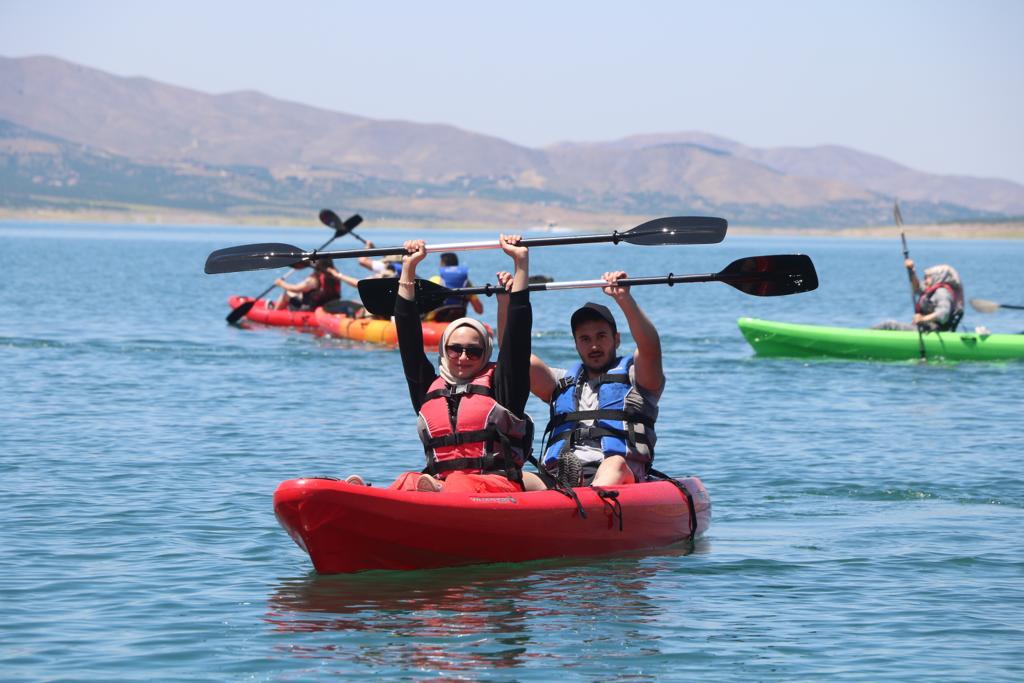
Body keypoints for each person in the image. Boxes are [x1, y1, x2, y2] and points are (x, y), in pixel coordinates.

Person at [346, 235, 545, 494]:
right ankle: (368, 497)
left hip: (495, 488)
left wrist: (521, 263)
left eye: (473, 351)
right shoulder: (428, 388)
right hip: (441, 486)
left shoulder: (504, 388)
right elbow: (408, 336)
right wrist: (409, 268)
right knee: (408, 479)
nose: (463, 357)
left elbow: (517, 336)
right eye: (455, 349)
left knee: (459, 483)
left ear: (485, 354)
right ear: (443, 351)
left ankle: (434, 495)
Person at [497, 271, 663, 488]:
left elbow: (650, 348)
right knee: (507, 477)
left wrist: (624, 299)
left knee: (614, 464)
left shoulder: (637, 378)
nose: (594, 346)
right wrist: (505, 303)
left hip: (619, 475)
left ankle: (586, 506)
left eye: (601, 336)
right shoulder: (561, 382)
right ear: (576, 344)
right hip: (560, 476)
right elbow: (513, 356)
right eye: (585, 339)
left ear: (617, 339)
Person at [873, 260, 965, 332]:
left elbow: (943, 315)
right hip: (925, 329)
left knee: (889, 325)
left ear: (938, 277)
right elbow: (917, 287)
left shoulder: (942, 293)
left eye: (927, 278)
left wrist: (923, 319)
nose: (924, 281)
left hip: (932, 332)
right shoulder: (931, 290)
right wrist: (911, 271)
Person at [271, 258, 360, 311]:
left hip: (311, 308)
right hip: (328, 305)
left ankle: (274, 312)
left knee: (287, 293)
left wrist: (281, 283)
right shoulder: (335, 275)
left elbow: (295, 288)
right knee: (297, 294)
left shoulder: (314, 279)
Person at [426, 252, 485, 322]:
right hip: (457, 322)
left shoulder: (434, 280)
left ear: (442, 264)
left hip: (435, 324)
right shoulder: (466, 283)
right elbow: (479, 310)